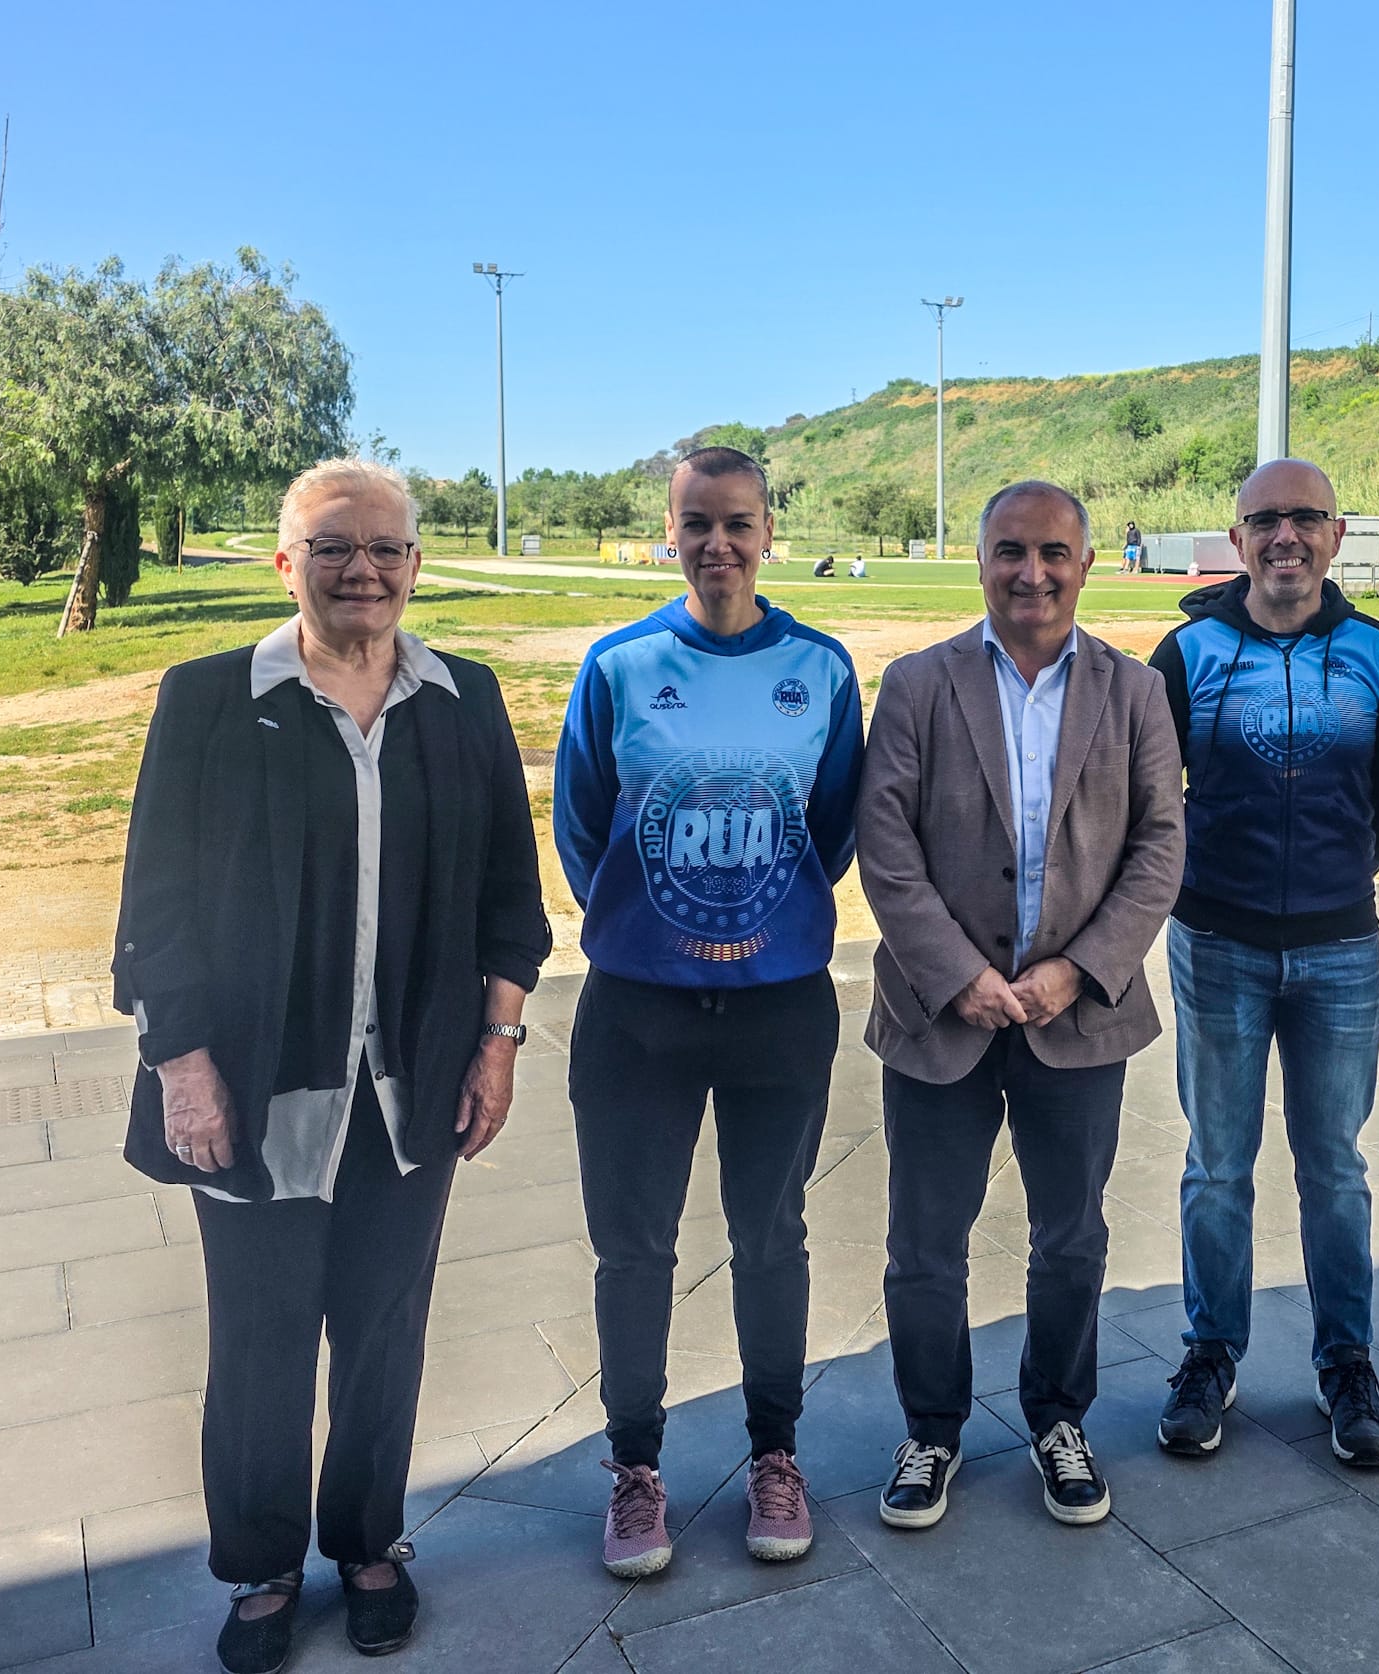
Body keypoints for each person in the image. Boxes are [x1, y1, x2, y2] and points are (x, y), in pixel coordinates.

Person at [113, 458, 551, 1674]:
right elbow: (157, 906)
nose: (363, 570)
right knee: (257, 1333)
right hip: (253, 1084)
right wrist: (182, 1067)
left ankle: (367, 1546)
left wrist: (499, 1042)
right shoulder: (210, 698)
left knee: (382, 1328)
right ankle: (259, 1566)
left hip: (412, 1081)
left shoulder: (462, 699)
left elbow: (512, 901)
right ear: (286, 562)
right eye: (335, 549)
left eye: (386, 549)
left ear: (416, 564)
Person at [553, 446, 864, 1580]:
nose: (717, 544)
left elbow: (830, 832)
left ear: (768, 530)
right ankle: (635, 1469)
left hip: (778, 1004)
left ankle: (773, 1455)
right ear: (669, 531)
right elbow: (583, 830)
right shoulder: (621, 664)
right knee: (631, 1248)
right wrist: (657, 932)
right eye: (696, 523)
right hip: (637, 1009)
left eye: (737, 523)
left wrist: (752, 925)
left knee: (768, 1238)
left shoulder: (820, 668)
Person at [857, 480, 1184, 1531]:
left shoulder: (1133, 694)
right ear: (980, 560)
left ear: (1086, 565)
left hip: (1076, 1018)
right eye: (1009, 551)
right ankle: (931, 1428)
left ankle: (1057, 1416)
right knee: (922, 1243)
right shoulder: (915, 684)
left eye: (1052, 553)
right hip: (937, 1014)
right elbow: (886, 845)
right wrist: (959, 974)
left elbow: (1157, 849)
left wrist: (1075, 971)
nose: (1030, 573)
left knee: (1070, 1239)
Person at [1146, 460, 1379, 1467]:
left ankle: (1345, 1363)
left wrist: (1340, 877)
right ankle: (1209, 1353)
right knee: (1216, 1165)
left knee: (1334, 1168)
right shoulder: (1188, 651)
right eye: (1264, 520)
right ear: (1238, 537)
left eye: (1304, 518)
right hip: (1215, 944)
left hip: (1340, 949)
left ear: (1335, 534)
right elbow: (1148, 793)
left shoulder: (1377, 654)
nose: (1284, 537)